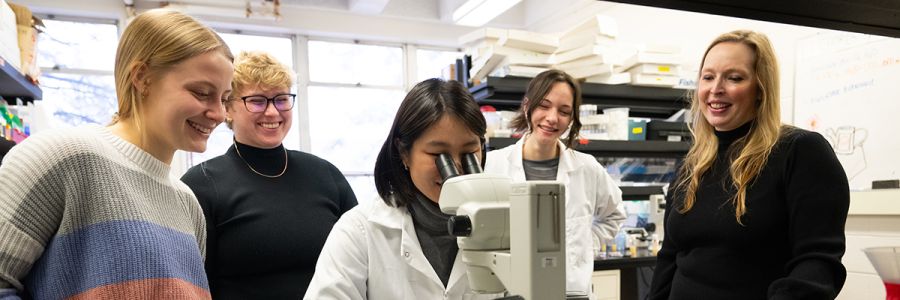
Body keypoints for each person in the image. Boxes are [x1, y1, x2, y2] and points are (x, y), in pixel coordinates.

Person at [0, 9, 233, 299]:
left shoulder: (187, 204)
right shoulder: (59, 156)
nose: (219, 113)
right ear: (142, 77)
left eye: (225, 99)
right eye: (201, 93)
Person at [648, 30, 849, 300]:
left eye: (734, 78)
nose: (715, 88)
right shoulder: (692, 165)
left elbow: (818, 264)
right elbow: (669, 259)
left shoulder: (800, 152)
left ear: (760, 88)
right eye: (707, 77)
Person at [181, 50, 357, 299]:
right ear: (228, 107)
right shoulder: (202, 185)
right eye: (257, 101)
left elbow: (361, 260)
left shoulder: (325, 175)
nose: (273, 112)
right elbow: (192, 286)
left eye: (281, 99)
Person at [304, 78, 502, 299]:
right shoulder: (359, 231)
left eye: (469, 152)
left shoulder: (507, 224)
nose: (455, 170)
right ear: (404, 153)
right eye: (438, 155)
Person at [483, 69, 626, 299]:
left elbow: (615, 214)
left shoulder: (586, 168)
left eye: (564, 111)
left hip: (570, 292)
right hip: (509, 292)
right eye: (544, 106)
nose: (552, 118)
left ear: (571, 118)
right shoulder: (493, 165)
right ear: (528, 106)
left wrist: (585, 244)